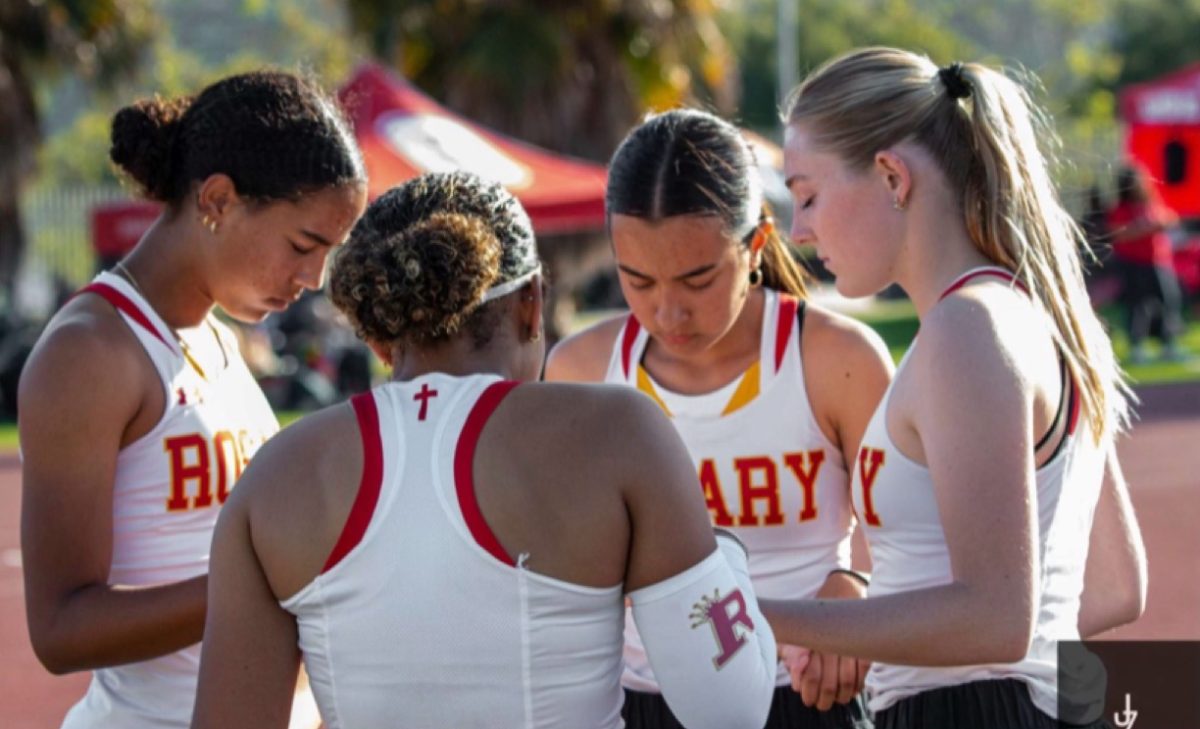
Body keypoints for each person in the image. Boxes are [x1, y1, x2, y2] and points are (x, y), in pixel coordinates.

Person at [189, 171, 778, 729]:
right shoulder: (616, 433)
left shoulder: (278, 474)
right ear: (531, 304)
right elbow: (730, 709)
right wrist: (722, 553)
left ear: (377, 335)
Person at [760, 47, 1148, 729]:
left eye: (808, 194)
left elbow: (996, 617)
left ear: (890, 176)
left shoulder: (967, 331)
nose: (800, 230)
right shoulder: (1032, 317)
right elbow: (1116, 586)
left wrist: (761, 612)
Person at [18, 70, 368, 728]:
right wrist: (266, 583)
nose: (313, 279)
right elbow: (61, 628)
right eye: (303, 245)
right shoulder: (91, 353)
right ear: (217, 200)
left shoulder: (221, 341)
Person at [546, 108, 893, 728]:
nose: (668, 311)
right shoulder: (580, 371)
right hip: (640, 704)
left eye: (698, 278)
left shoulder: (836, 359)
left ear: (757, 245)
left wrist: (855, 579)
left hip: (806, 695)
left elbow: (912, 538)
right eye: (638, 280)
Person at [1107, 164, 1187, 362]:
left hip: (1158, 261)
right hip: (1133, 262)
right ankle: (1137, 346)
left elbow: (1169, 217)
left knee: (1168, 301)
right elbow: (1119, 235)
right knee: (1138, 305)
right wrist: (1144, 228)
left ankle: (1169, 343)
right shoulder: (1120, 209)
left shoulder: (1150, 202)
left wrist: (1161, 223)